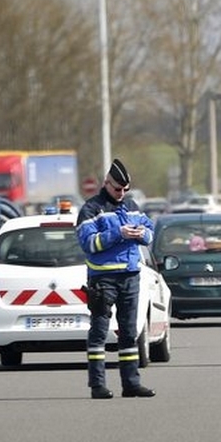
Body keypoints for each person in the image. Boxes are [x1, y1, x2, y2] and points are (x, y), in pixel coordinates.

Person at [76, 158, 156, 400]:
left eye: (125, 189)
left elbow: (150, 232)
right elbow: (88, 243)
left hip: (131, 276)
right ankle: (97, 385)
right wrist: (117, 233)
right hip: (103, 279)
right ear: (106, 183)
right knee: (99, 332)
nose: (121, 194)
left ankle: (131, 384)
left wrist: (142, 234)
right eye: (117, 189)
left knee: (129, 333)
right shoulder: (91, 209)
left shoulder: (131, 205)